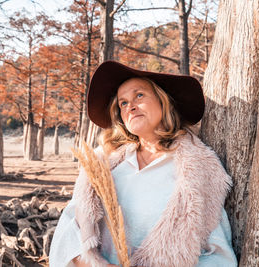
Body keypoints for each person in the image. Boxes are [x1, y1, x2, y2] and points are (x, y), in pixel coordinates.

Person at [49, 61, 238, 267]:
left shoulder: (197, 170)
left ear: (163, 101)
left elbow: (219, 257)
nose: (130, 106)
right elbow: (68, 230)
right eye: (123, 103)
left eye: (139, 95)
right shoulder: (103, 167)